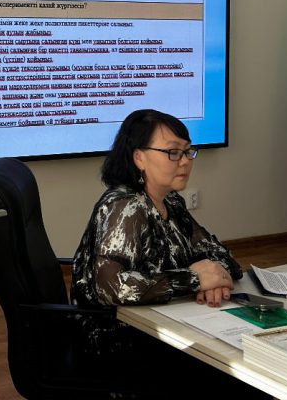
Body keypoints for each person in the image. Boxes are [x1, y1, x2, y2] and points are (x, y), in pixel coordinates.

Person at [71, 110, 268, 398]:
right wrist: (193, 280)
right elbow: (111, 287)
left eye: (188, 152)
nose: (185, 161)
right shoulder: (125, 207)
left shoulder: (170, 201)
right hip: (117, 344)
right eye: (173, 152)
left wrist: (214, 275)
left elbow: (215, 250)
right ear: (139, 158)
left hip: (161, 324)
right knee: (242, 376)